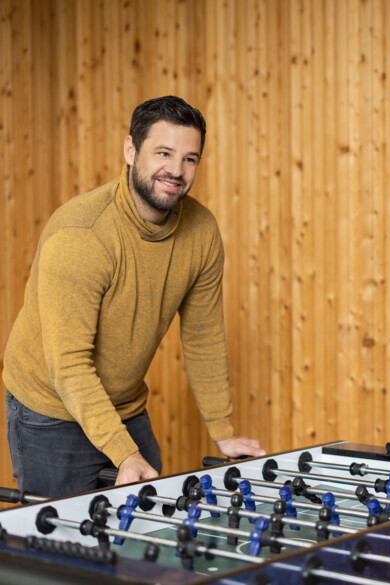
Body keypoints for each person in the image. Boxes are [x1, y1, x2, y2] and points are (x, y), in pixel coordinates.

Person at [3, 96, 265, 498]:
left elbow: (204, 337)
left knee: (139, 542)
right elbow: (69, 366)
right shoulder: (82, 236)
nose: (176, 171)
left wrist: (222, 431)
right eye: (164, 153)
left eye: (190, 158)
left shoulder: (201, 232)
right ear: (130, 150)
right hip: (50, 411)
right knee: (60, 552)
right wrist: (125, 454)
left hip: (124, 407)